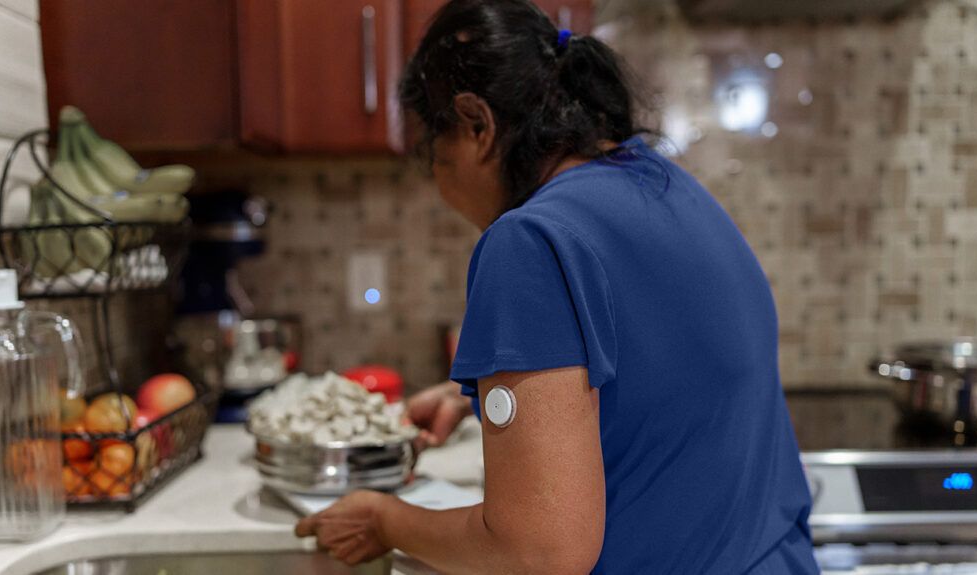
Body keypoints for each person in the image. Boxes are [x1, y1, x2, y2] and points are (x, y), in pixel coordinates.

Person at [295, 1, 819, 572]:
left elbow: (538, 551)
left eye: (434, 155)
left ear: (476, 123)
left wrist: (385, 519)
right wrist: (478, 401)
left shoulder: (530, 240)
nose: (439, 182)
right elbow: (667, 384)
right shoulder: (669, 186)